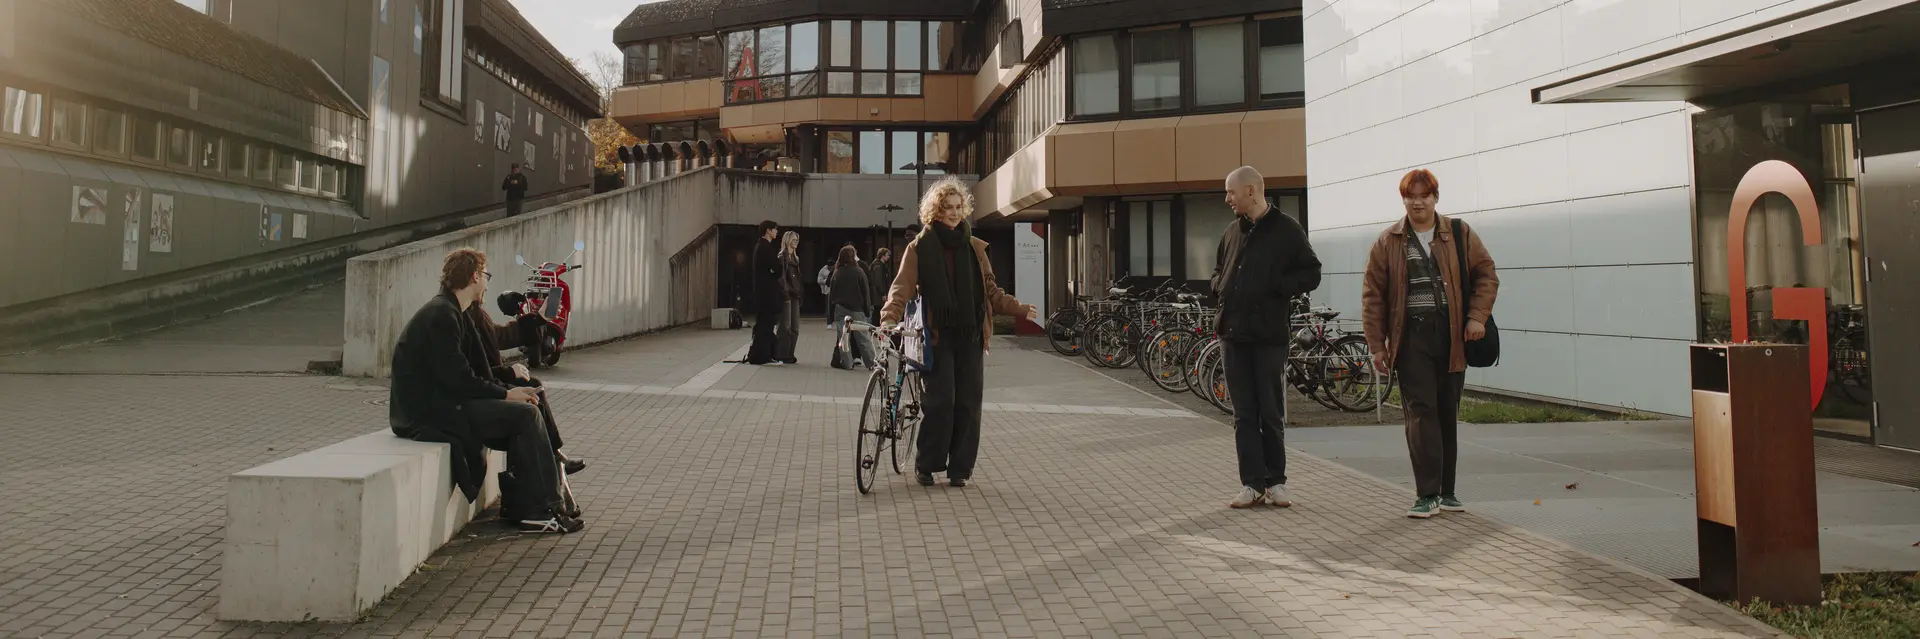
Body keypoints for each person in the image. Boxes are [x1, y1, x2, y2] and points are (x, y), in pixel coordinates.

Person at [389, 248, 582, 534]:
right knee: (526, 415)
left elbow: (468, 371)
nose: (488, 284)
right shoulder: (443, 315)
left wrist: (507, 388)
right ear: (474, 276)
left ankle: (528, 505)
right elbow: (458, 379)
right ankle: (540, 509)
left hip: (442, 403)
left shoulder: (455, 310)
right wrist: (506, 394)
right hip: (429, 414)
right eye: (485, 276)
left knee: (528, 405)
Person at [881, 177, 1037, 488]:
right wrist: (888, 319)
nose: (954, 213)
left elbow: (991, 291)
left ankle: (960, 469)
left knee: (968, 403)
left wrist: (1017, 307)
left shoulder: (975, 247)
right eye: (947, 207)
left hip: (970, 335)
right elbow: (901, 288)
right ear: (935, 211)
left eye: (958, 207)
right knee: (940, 402)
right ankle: (927, 464)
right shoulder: (920, 247)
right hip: (936, 336)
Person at [1362, 169, 1498, 519]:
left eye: (1424, 195)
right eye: (1411, 196)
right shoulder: (1388, 241)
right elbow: (1373, 297)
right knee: (1421, 413)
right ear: (1403, 199)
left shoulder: (1458, 232)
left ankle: (1447, 492)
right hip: (1410, 337)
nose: (1417, 202)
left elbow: (1486, 274)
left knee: (1446, 411)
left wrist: (1477, 317)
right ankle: (1426, 494)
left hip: (1452, 334)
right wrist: (1377, 345)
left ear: (1435, 197)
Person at [1212, 166, 1322, 509]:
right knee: (1243, 413)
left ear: (1250, 190)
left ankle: (1276, 482)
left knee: (1270, 412)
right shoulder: (1232, 231)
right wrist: (1220, 286)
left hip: (1269, 336)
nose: (1227, 199)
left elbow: (1312, 272)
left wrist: (1278, 286)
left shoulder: (1287, 229)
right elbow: (1217, 271)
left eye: (1231, 192)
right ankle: (1251, 484)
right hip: (1232, 334)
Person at [466, 301, 587, 476]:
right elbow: (468, 374)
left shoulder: (474, 312)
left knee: (532, 386)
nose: (486, 287)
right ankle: (546, 463)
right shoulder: (458, 316)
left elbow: (501, 335)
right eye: (483, 282)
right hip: (474, 398)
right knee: (529, 399)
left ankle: (552, 456)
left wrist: (539, 318)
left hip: (485, 384)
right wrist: (508, 374)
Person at [829, 245, 876, 369]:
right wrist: (867, 310)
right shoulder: (859, 272)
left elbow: (831, 294)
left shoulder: (837, 272)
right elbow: (865, 292)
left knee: (843, 338)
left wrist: (830, 315)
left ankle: (847, 364)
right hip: (857, 309)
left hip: (840, 309)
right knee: (863, 338)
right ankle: (872, 363)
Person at [746, 220, 782, 365]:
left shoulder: (759, 246)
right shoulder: (765, 247)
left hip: (762, 293)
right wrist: (774, 272)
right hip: (767, 293)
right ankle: (762, 356)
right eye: (775, 229)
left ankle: (764, 354)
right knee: (766, 325)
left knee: (765, 324)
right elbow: (777, 269)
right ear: (768, 230)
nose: (776, 232)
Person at [774, 231, 803, 365]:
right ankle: (782, 354)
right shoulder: (782, 257)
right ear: (787, 240)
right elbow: (781, 278)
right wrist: (785, 293)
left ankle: (790, 354)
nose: (796, 242)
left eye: (797, 239)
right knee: (785, 326)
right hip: (786, 295)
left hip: (795, 295)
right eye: (793, 239)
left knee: (795, 327)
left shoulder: (795, 259)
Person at [867, 247, 894, 321]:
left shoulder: (880, 265)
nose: (888, 257)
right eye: (887, 255)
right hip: (878, 295)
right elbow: (878, 281)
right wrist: (883, 294)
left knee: (878, 311)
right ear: (882, 256)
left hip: (877, 294)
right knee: (877, 311)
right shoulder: (878, 266)